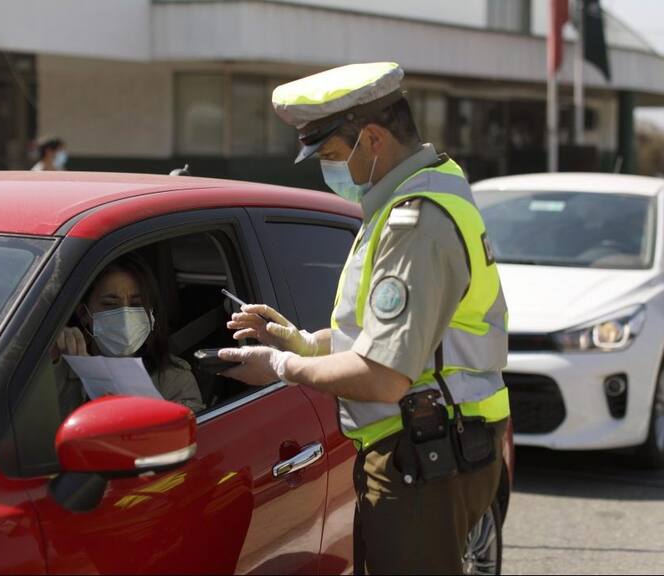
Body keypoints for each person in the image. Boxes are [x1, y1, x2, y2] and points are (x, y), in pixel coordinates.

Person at [219, 62, 510, 575]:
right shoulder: (433, 187)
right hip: (446, 446)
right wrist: (306, 344)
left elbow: (382, 375)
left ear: (372, 139)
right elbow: (399, 338)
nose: (329, 171)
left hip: (423, 459)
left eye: (331, 155)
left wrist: (280, 367)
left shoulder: (413, 221)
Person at [51, 253, 204, 414]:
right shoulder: (57, 370)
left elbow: (186, 433)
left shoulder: (173, 378)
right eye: (110, 304)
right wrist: (51, 359)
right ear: (84, 313)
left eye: (136, 304)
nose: (125, 317)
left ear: (150, 314)